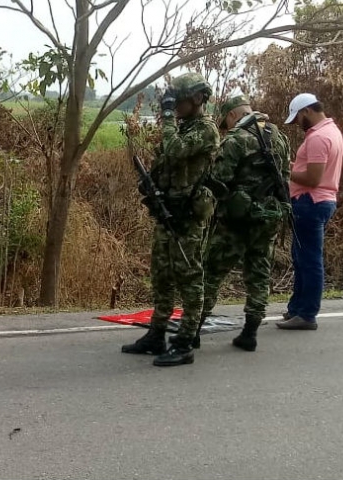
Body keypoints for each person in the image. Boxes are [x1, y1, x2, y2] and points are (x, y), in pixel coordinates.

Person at [122, 73, 219, 367]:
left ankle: (185, 341)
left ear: (198, 99)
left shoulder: (205, 129)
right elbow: (166, 159)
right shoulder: (183, 127)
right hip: (168, 213)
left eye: (180, 101)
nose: (175, 106)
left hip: (188, 217)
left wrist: (165, 117)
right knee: (161, 276)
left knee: (189, 279)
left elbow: (176, 151)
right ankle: (157, 333)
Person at [200, 96, 291, 351]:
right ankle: (250, 333)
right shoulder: (279, 137)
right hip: (267, 220)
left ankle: (192, 331)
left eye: (225, 123)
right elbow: (285, 179)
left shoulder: (236, 139)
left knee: (211, 273)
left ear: (231, 116)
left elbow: (219, 180)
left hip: (236, 222)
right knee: (259, 274)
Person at [278, 94, 343, 330]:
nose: (297, 123)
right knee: (301, 256)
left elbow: (313, 178)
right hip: (320, 201)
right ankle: (297, 308)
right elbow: (313, 171)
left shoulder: (318, 137)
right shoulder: (332, 132)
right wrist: (293, 167)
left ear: (306, 111)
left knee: (309, 260)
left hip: (311, 201)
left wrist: (283, 171)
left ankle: (306, 314)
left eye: (297, 118)